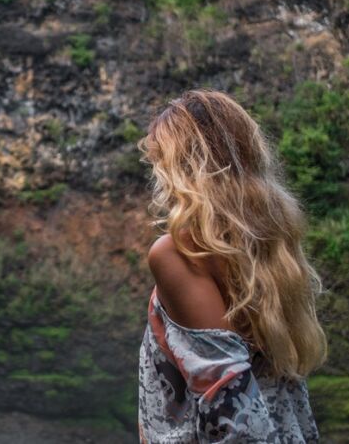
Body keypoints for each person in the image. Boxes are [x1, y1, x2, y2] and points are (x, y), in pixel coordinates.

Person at [136, 89, 327, 443]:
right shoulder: (271, 250)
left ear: (182, 167)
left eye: (160, 162)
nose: (158, 177)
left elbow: (233, 412)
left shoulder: (179, 253)